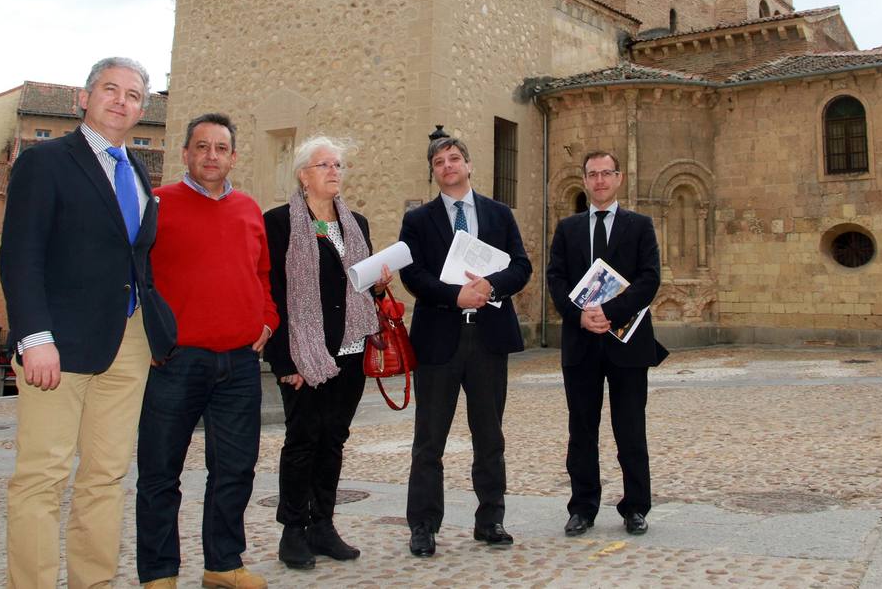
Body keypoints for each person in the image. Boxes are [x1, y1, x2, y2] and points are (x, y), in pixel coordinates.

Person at [0, 56, 177, 589]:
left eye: (133, 95)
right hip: (59, 343)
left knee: (106, 476)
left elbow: (133, 257)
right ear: (85, 97)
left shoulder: (139, 170)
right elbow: (20, 255)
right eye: (110, 89)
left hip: (128, 343)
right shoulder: (46, 162)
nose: (121, 101)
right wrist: (34, 337)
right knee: (43, 477)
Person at [135, 113, 277, 589]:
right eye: (202, 147)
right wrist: (151, 337)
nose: (211, 155)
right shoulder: (155, 204)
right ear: (186, 153)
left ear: (233, 156)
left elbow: (261, 275)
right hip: (177, 361)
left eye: (220, 148)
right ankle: (158, 574)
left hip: (239, 362)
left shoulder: (249, 209)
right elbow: (138, 276)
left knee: (235, 468)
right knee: (160, 471)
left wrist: (268, 320)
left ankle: (223, 564)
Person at [399, 135, 532, 558]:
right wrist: (453, 296)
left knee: (490, 437)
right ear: (433, 172)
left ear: (469, 165)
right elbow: (412, 276)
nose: (448, 166)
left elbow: (522, 266)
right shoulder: (418, 220)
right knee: (429, 440)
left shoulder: (497, 214)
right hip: (439, 339)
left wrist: (491, 285)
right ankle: (423, 525)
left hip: (488, 338)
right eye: (439, 161)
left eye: (454, 158)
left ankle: (490, 519)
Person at [263, 136, 390, 570]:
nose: (334, 171)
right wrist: (285, 361)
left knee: (334, 439)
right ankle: (293, 531)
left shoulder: (357, 223)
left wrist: (379, 281)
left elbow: (357, 285)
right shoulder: (278, 223)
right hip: (305, 352)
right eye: (324, 165)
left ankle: (324, 525)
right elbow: (275, 295)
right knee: (302, 441)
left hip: (350, 350)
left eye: (338, 165)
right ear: (303, 174)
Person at [546, 151, 669, 538]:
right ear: (584, 181)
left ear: (618, 178)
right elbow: (556, 278)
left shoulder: (640, 225)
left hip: (626, 343)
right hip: (580, 340)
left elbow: (650, 279)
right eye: (592, 174)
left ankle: (635, 506)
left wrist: (611, 312)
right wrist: (578, 314)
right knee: (582, 429)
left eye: (606, 173)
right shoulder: (567, 228)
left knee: (630, 427)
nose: (599, 181)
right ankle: (582, 507)